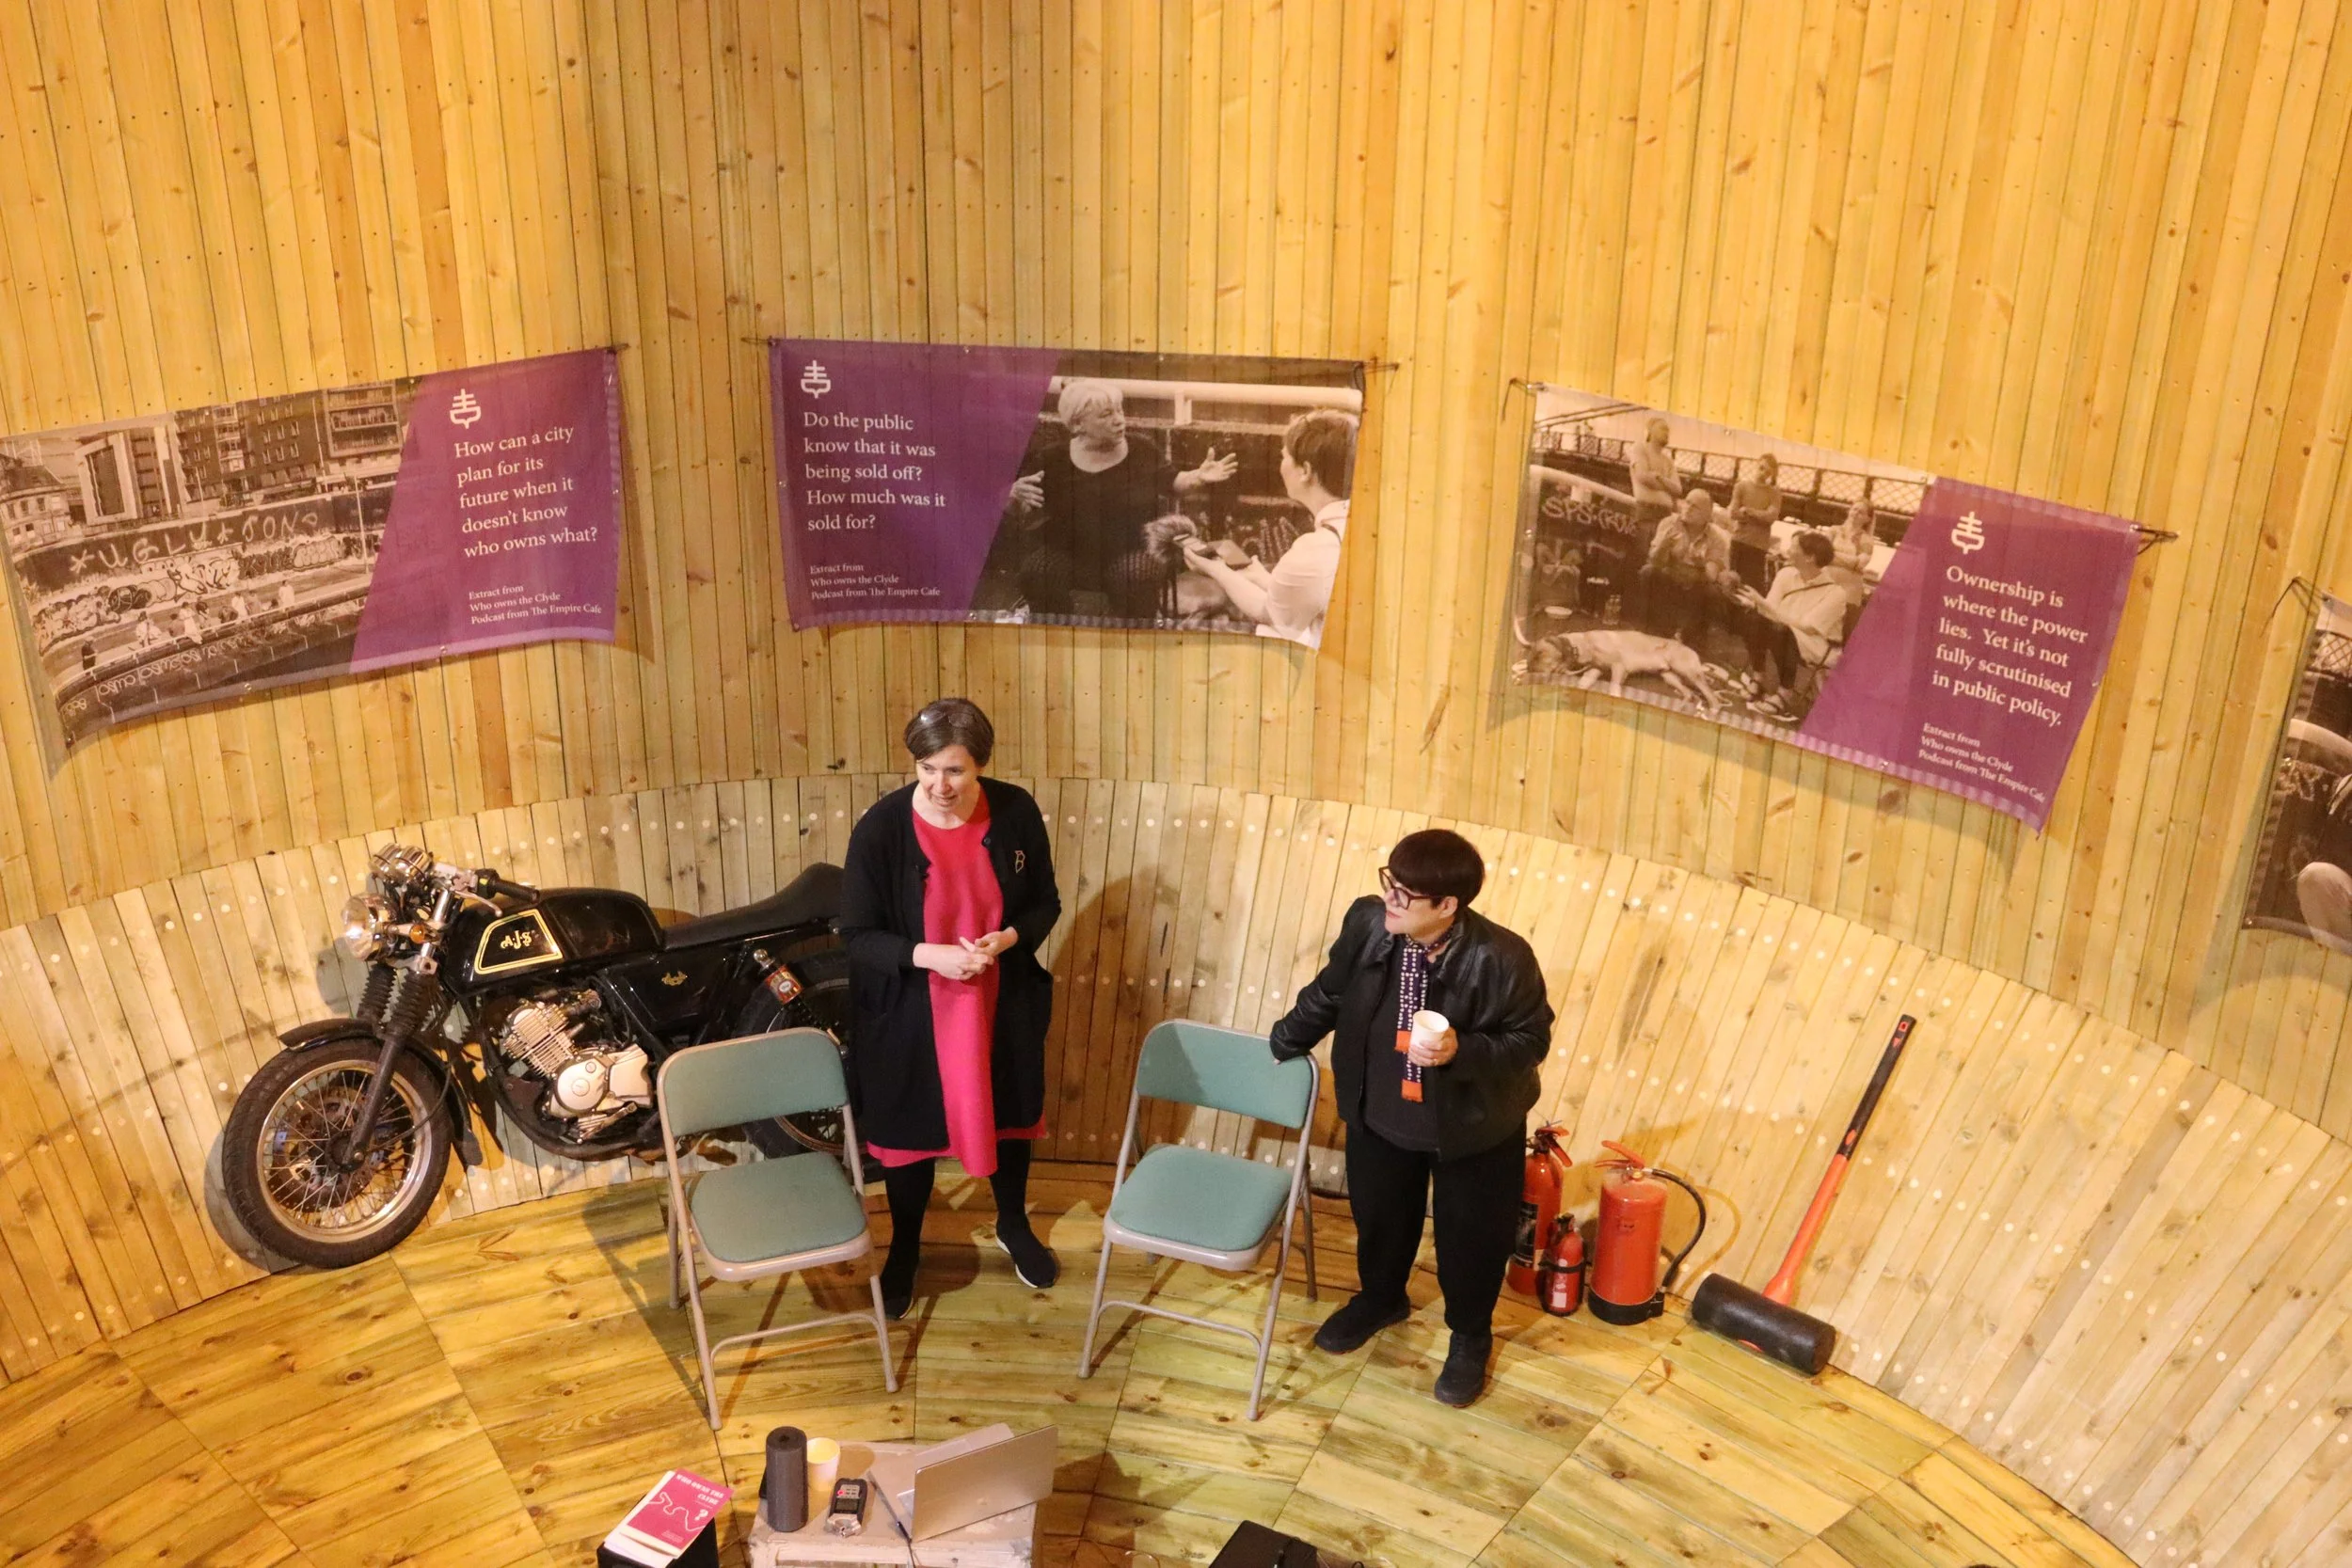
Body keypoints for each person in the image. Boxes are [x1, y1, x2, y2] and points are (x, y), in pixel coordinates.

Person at [1267, 829, 1554, 1408]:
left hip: (1472, 1128)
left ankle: (1470, 1335)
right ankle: (1381, 1298)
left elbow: (1530, 1040)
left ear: (1447, 906)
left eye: (1406, 895)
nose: (1390, 901)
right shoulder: (1369, 924)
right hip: (1380, 1112)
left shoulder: (1503, 957)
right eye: (1389, 884)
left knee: (1471, 1240)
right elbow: (1333, 989)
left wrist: (1461, 1051)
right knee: (1380, 1217)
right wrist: (1285, 1038)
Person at [837, 699, 1063, 1319]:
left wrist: (1007, 940)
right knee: (911, 1139)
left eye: (956, 771)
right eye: (927, 768)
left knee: (1011, 1120)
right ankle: (905, 1248)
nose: (940, 785)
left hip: (999, 1001)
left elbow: (1045, 903)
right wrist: (930, 955)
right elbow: (856, 935)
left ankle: (1013, 1224)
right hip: (913, 1010)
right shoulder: (881, 829)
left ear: (981, 766)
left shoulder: (1016, 812)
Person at [1001, 380, 1238, 614]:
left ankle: (1131, 642)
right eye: (1106, 415)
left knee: (1134, 578)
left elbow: (1175, 483)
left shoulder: (1141, 449)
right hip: (1069, 551)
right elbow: (1020, 508)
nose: (1119, 420)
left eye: (1119, 410)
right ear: (1077, 424)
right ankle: (1055, 635)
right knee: (1037, 573)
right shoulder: (1053, 459)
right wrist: (1011, 495)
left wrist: (1199, 476)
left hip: (1132, 548)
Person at [1182, 407, 1358, 646]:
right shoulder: (1352, 527)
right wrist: (1261, 578)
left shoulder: (1315, 548)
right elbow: (1302, 596)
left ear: (1305, 471)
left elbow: (1273, 615)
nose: (1281, 464)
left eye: (1284, 456)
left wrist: (1215, 569)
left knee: (1269, 633)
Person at [1734, 531, 1849, 718]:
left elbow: (1808, 627)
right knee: (1754, 619)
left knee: (1781, 629)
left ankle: (1785, 693)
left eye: (1796, 548)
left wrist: (1763, 605)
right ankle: (1758, 677)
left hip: (1818, 645)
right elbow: (1769, 608)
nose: (1789, 550)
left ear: (1810, 558)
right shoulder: (1786, 574)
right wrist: (1753, 604)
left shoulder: (1836, 594)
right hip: (1785, 631)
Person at [1639, 489, 1734, 648]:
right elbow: (1655, 561)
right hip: (1669, 575)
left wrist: (1700, 564)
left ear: (1707, 515)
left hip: (1695, 582)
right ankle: (1653, 630)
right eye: (1687, 502)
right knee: (1648, 572)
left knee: (1712, 593)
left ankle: (1694, 638)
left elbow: (1711, 576)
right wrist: (1664, 547)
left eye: (1695, 506)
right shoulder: (1668, 523)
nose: (1688, 508)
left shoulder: (1717, 539)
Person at [1725, 453, 1782, 594]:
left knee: (1751, 588)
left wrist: (1748, 511)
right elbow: (1733, 513)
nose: (1763, 473)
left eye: (1768, 472)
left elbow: (1771, 517)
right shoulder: (1741, 486)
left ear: (1772, 474)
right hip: (1739, 541)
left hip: (1758, 546)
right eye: (1761, 468)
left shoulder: (1774, 493)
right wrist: (1759, 516)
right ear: (1756, 464)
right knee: (1732, 582)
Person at [1627, 416, 1684, 551]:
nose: (1667, 433)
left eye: (1668, 430)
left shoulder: (1668, 461)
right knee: (1644, 555)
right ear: (1650, 430)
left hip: (1666, 517)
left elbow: (1678, 490)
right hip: (1647, 514)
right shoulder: (1639, 448)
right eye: (1663, 429)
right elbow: (1642, 476)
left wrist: (1659, 478)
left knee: (1660, 559)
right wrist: (1666, 486)